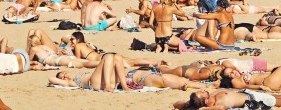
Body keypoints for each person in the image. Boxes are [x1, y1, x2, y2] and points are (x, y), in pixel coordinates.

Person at [50, 52, 201, 91]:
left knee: (116, 57)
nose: (65, 74)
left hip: (107, 79)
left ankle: (124, 84)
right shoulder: (70, 81)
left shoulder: (79, 70)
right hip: (93, 83)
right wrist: (61, 78)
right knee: (108, 56)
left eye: (63, 73)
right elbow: (52, 79)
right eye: (62, 76)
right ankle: (110, 86)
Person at [177, 88, 281, 109]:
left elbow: (176, 104)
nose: (203, 90)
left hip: (245, 93)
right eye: (201, 92)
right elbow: (222, 108)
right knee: (278, 102)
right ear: (205, 100)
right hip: (253, 99)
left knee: (277, 102)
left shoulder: (211, 97)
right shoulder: (216, 104)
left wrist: (189, 104)